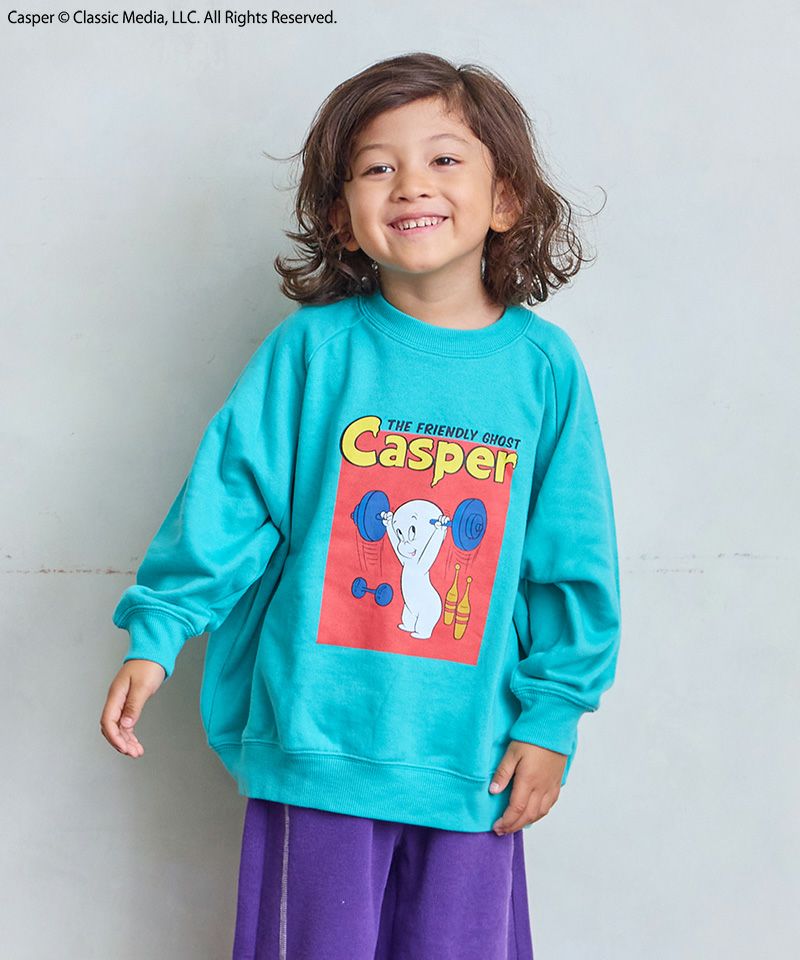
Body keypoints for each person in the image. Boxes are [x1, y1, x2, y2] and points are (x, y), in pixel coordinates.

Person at [100, 51, 622, 960]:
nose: (411, 183)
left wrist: (552, 718)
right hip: (317, 745)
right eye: (378, 166)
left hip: (471, 754)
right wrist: (159, 631)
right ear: (343, 218)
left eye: (444, 158)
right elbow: (231, 499)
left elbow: (571, 560)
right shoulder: (312, 352)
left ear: (505, 198)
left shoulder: (544, 369)